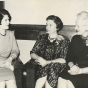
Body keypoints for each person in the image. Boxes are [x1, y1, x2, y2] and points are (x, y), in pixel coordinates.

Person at [30, 15, 70, 88]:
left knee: (52, 67)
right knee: (46, 68)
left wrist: (47, 62)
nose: (47, 27)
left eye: (50, 25)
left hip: (58, 66)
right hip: (42, 66)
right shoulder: (42, 38)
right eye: (46, 24)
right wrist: (39, 58)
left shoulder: (63, 40)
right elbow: (32, 53)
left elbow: (64, 59)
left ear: (57, 27)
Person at [58, 11, 88, 88]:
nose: (75, 28)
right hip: (74, 70)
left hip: (86, 73)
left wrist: (80, 71)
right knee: (61, 79)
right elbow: (69, 57)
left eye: (78, 26)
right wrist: (72, 66)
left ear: (86, 27)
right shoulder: (75, 38)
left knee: (70, 83)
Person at [0, 9, 19, 88]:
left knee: (12, 83)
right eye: (5, 20)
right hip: (3, 64)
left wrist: (10, 59)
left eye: (8, 20)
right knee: (1, 84)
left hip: (6, 63)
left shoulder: (10, 34)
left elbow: (15, 50)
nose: (8, 22)